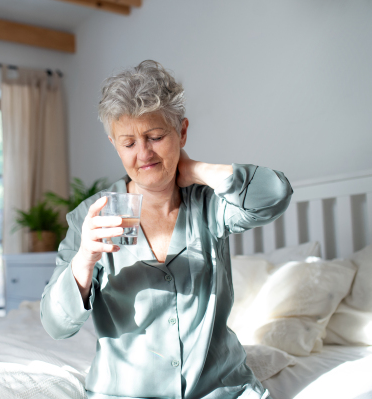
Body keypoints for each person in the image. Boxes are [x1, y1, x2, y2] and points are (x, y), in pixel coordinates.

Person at [41, 60, 292, 399]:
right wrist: (84, 259)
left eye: (156, 137)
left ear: (182, 132)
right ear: (115, 144)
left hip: (221, 390)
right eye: (128, 143)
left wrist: (197, 169)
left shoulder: (211, 204)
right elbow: (56, 325)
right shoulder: (91, 216)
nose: (143, 153)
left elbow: (275, 194)